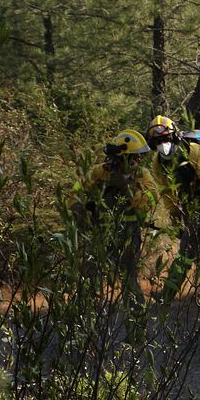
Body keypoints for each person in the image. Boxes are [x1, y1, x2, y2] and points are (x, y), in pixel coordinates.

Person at [72, 129, 158, 325]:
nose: (137, 163)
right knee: (89, 278)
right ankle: (85, 325)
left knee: (128, 280)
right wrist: (84, 209)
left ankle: (137, 328)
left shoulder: (142, 175)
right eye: (134, 158)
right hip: (98, 234)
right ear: (121, 157)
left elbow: (150, 199)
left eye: (139, 158)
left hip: (128, 235)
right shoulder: (99, 172)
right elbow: (74, 195)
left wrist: (128, 188)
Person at [146, 115, 200, 302]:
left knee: (187, 248)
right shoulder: (158, 162)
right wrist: (175, 215)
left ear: (174, 135)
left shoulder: (195, 152)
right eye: (157, 141)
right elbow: (166, 191)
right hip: (186, 204)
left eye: (165, 138)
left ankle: (167, 295)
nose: (162, 144)